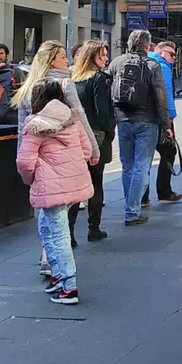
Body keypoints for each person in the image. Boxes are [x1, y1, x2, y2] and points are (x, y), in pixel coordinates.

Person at [11, 42, 99, 248]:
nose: (67, 60)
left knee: (47, 208)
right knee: (60, 213)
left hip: (39, 159)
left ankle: (47, 253)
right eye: (62, 56)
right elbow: (80, 116)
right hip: (64, 156)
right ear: (51, 60)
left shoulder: (28, 86)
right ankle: (55, 258)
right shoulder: (64, 83)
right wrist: (93, 148)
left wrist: (22, 160)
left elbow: (22, 130)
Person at [16, 79, 95, 305]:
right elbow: (87, 150)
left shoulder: (35, 125)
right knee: (46, 228)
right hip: (72, 184)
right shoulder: (73, 119)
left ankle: (69, 286)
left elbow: (24, 162)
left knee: (58, 234)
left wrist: (31, 179)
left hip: (50, 186)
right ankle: (59, 275)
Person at [107, 29, 171, 226]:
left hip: (123, 119)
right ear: (147, 46)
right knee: (142, 166)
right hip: (147, 121)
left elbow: (108, 89)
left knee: (127, 166)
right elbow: (160, 97)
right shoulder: (152, 65)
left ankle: (130, 206)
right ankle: (132, 211)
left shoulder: (117, 62)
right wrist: (166, 123)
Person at [70, 39, 115, 242]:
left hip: (75, 135)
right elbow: (102, 111)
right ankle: (93, 228)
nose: (106, 58)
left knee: (76, 186)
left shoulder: (73, 78)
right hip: (96, 134)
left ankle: (69, 233)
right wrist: (110, 131)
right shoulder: (99, 79)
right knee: (96, 183)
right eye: (102, 55)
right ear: (92, 56)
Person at [149, 40, 182, 204]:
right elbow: (166, 93)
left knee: (144, 157)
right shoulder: (163, 67)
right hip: (161, 117)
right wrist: (171, 117)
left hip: (144, 117)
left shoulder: (145, 62)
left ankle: (142, 196)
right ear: (161, 53)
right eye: (171, 54)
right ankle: (164, 191)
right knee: (169, 151)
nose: (174, 58)